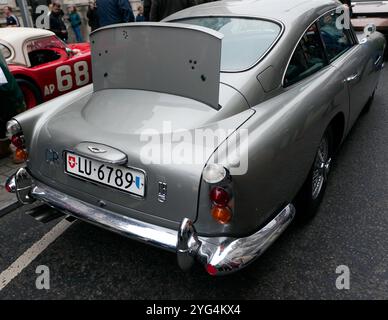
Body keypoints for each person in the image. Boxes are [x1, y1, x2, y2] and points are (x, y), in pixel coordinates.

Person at [0, 52, 26, 160]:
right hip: (3, 98)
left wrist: (17, 102)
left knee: (15, 125)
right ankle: (5, 149)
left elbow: (5, 86)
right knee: (1, 126)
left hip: (10, 98)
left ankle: (23, 151)